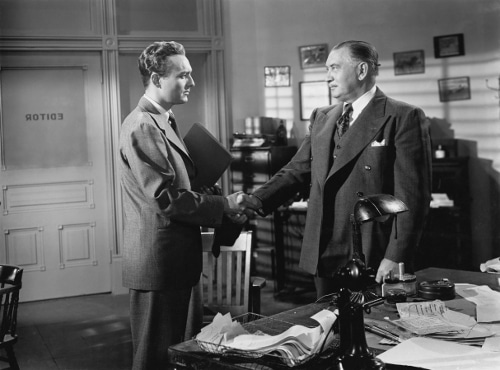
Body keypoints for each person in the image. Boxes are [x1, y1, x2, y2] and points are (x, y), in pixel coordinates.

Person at [238, 40, 432, 299]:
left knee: (373, 331)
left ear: (362, 70)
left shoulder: (402, 116)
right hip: (324, 248)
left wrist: (395, 256)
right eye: (327, 69)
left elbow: (411, 198)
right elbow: (297, 169)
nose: (327, 77)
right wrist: (255, 200)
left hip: (372, 251)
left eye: (334, 68)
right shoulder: (322, 116)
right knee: (328, 331)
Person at [119, 41, 246, 369]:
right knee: (155, 357)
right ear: (157, 79)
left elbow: (176, 184)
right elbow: (165, 198)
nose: (191, 82)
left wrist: (204, 187)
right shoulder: (143, 125)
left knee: (181, 353)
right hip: (159, 262)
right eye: (183, 75)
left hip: (177, 259)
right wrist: (223, 204)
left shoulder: (164, 119)